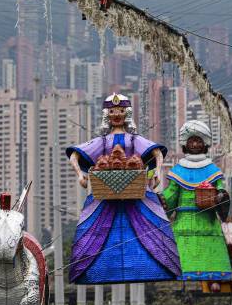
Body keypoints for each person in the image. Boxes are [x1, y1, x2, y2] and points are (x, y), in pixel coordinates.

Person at [66, 93, 181, 284]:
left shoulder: (133, 140)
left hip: (136, 193)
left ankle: (158, 268)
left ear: (126, 113)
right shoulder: (102, 142)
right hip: (105, 195)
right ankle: (92, 271)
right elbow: (74, 156)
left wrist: (158, 173)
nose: (116, 114)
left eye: (120, 110)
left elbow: (157, 152)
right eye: (112, 111)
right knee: (93, 232)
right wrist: (80, 175)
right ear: (107, 115)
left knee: (152, 229)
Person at [162, 120, 232, 292]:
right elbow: (171, 195)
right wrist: (161, 199)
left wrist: (220, 196)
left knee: (215, 254)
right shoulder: (178, 170)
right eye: (192, 141)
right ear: (185, 144)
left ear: (205, 144)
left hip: (208, 221)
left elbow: (220, 190)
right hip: (183, 221)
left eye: (198, 141)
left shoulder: (212, 170)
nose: (195, 144)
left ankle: (221, 277)